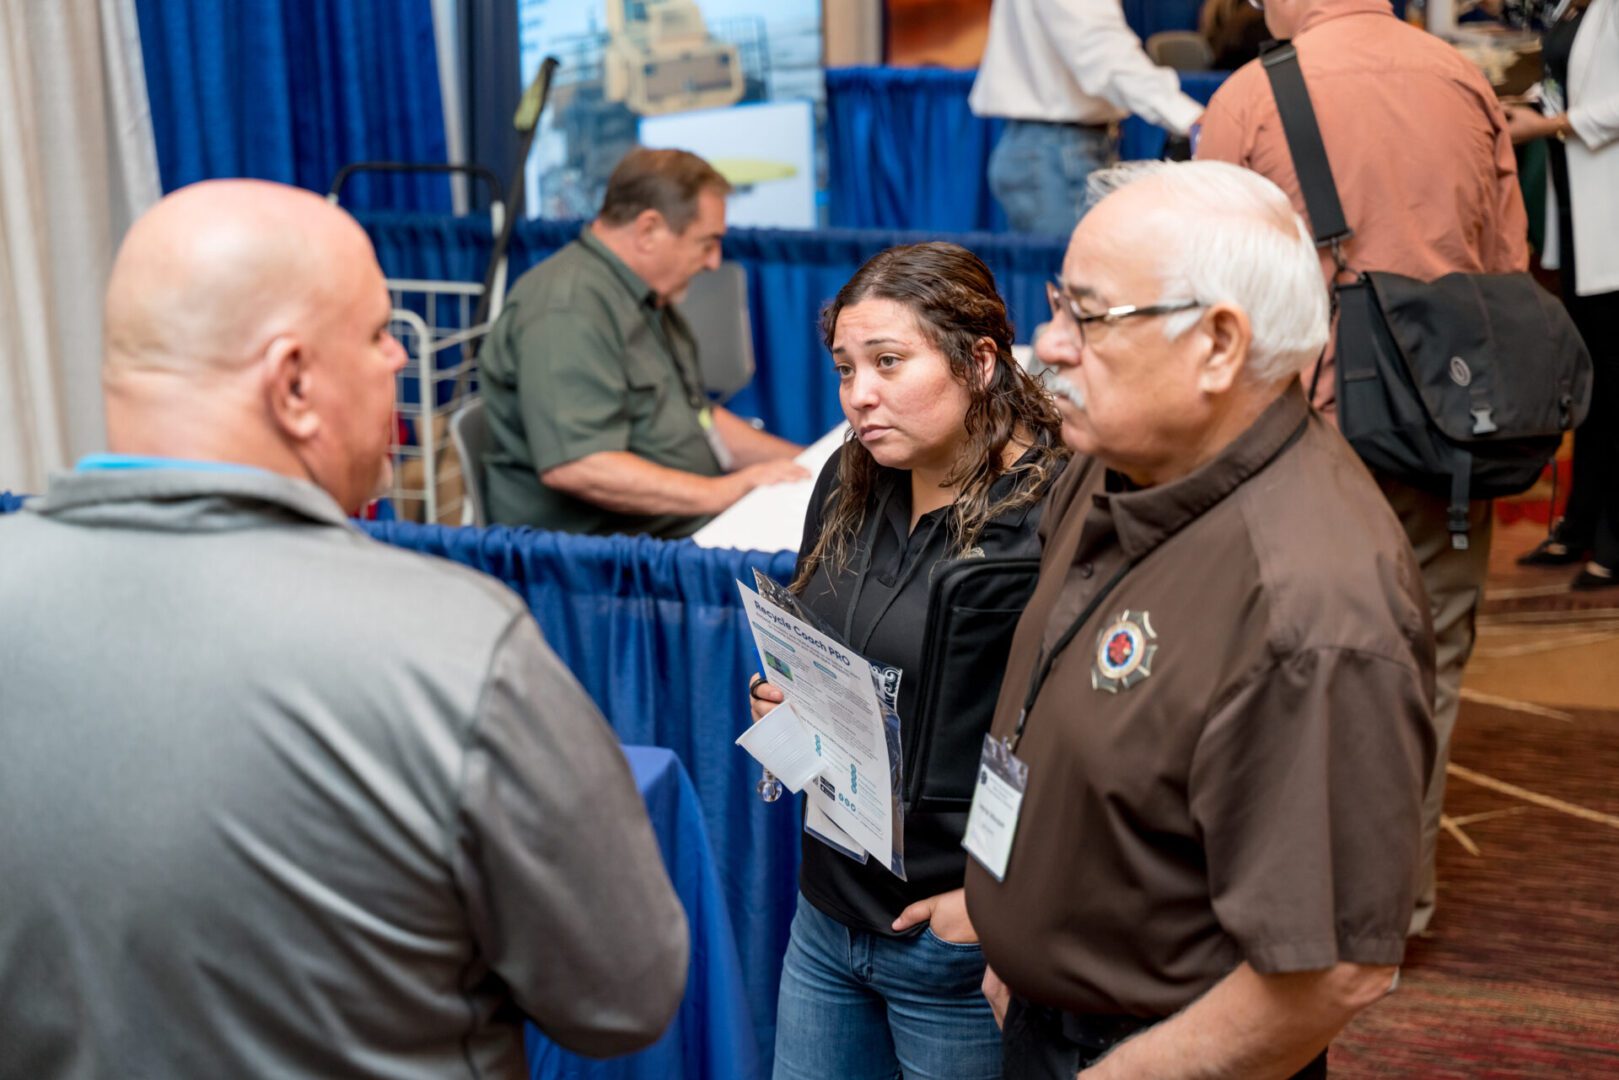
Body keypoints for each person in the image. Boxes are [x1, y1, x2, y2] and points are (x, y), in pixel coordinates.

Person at [0, 180, 688, 1078]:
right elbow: (623, 998)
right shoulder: (453, 644)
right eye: (377, 334)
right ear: (293, 383)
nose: (401, 360)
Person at [963, 161, 1435, 1077]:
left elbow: (1330, 971)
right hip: (1052, 1015)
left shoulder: (1313, 608)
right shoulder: (1120, 457)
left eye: (1088, 316)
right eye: (1058, 303)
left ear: (1218, 345)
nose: (1050, 343)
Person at [1196, 0, 1528, 936]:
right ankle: (1391, 905)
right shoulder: (1464, 80)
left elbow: (1202, 286)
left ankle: (1285, 904)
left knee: (1276, 659)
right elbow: (1509, 262)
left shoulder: (1254, 95)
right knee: (1430, 659)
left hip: (1297, 431)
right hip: (1451, 425)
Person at [747, 242, 1069, 1079]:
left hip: (950, 940)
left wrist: (992, 910)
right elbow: (830, 651)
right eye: (846, 369)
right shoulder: (849, 480)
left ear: (980, 361)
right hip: (826, 914)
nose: (860, 395)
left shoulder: (1046, 518)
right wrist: (788, 704)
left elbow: (1078, 744)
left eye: (889, 363)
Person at [480, 146, 806, 538]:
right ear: (648, 229)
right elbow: (580, 465)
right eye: (707, 242)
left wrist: (809, 466)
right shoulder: (567, 309)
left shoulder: (644, 297)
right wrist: (723, 492)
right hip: (611, 562)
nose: (714, 262)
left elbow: (700, 417)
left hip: (673, 531)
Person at [1506, 0, 1619, 591]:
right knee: (1591, 385)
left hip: (1613, 218)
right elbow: (1563, 87)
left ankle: (1612, 538)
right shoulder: (1572, 7)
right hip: (1578, 215)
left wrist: (1546, 126)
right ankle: (1579, 525)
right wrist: (1518, 109)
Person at [969, 0, 1207, 235]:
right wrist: (1191, 118)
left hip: (1056, 148)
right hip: (1058, 153)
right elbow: (1102, 52)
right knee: (1073, 269)